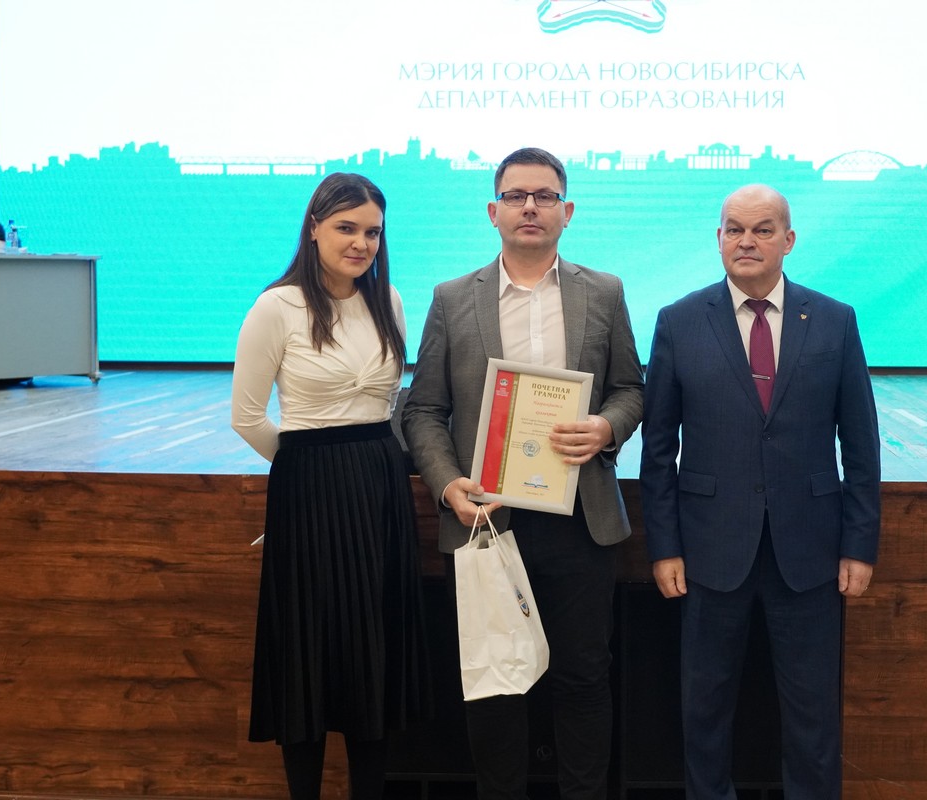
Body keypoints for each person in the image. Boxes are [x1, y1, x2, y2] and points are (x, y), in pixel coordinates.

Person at [401, 147, 644, 800]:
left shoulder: (605, 292)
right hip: (485, 520)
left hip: (580, 519)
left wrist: (606, 427)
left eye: (544, 196)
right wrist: (447, 483)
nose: (530, 207)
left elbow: (630, 389)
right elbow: (422, 409)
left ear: (568, 211)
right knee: (496, 685)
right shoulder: (452, 299)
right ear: (493, 211)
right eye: (515, 196)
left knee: (584, 678)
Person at [640, 184, 881, 799]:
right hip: (708, 549)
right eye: (735, 229)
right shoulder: (678, 320)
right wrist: (664, 547)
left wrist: (859, 545)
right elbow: (658, 447)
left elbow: (860, 444)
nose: (747, 241)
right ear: (719, 238)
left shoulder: (834, 320)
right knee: (705, 707)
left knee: (812, 714)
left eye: (763, 229)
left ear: (788, 240)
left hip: (810, 551)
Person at [231, 173, 428, 800]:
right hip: (309, 489)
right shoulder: (276, 307)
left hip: (380, 484)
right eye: (346, 227)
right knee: (308, 648)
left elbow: (389, 404)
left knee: (375, 646)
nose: (361, 243)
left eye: (372, 232)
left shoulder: (388, 300)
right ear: (314, 227)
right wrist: (306, 468)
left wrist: (357, 466)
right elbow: (246, 417)